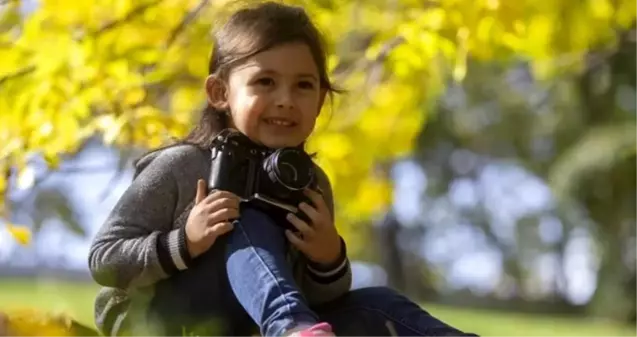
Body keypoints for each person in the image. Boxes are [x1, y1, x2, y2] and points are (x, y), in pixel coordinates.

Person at [87, 2, 479, 337]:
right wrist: (185, 242)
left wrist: (328, 259)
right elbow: (104, 261)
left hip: (254, 325)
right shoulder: (184, 165)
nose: (285, 100)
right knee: (242, 213)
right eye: (265, 82)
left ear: (322, 97)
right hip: (155, 320)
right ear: (220, 93)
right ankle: (290, 328)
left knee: (378, 302)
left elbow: (322, 297)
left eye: (304, 86)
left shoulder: (309, 183)